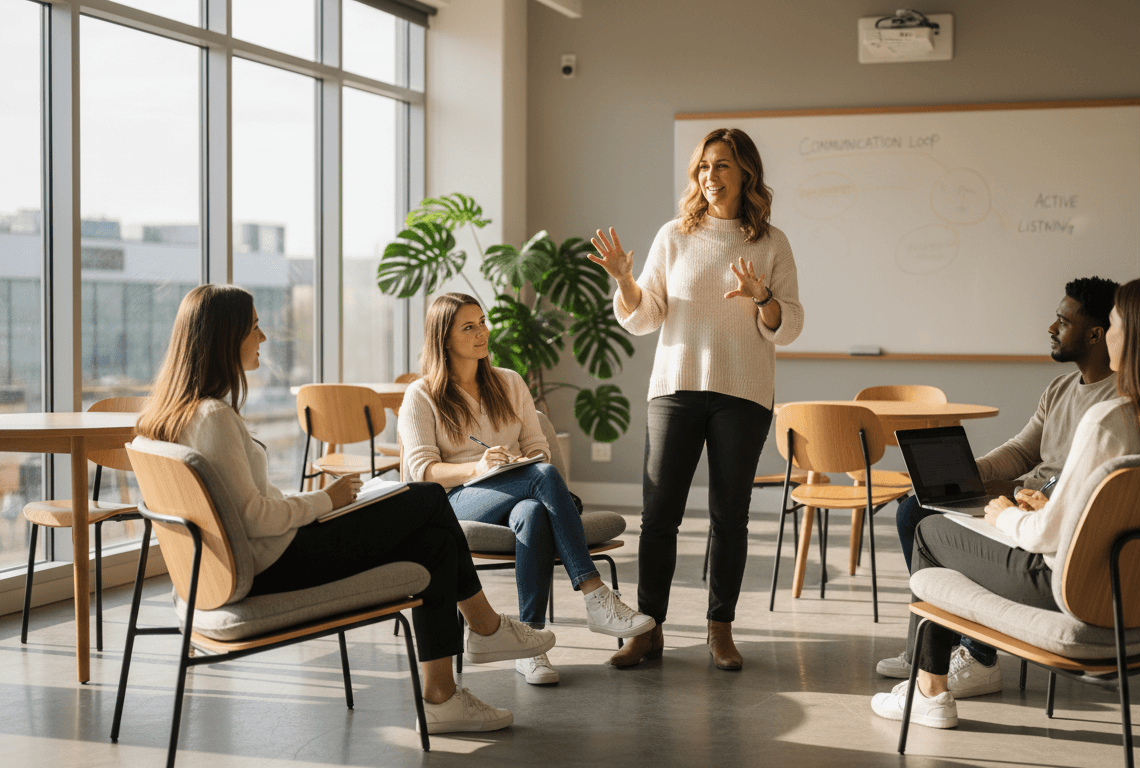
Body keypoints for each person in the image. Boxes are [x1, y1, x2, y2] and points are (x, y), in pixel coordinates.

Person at [134, 284, 553, 734]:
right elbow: (257, 517)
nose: (264, 338)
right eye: (254, 327)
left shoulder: (175, 414)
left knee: (433, 543)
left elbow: (250, 510)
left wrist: (321, 505)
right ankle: (485, 626)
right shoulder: (213, 417)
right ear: (224, 337)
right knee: (426, 497)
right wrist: (326, 500)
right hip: (272, 562)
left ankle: (442, 697)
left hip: (257, 558)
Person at [870, 276, 1140, 729]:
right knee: (925, 510)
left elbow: (1049, 535)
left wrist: (1005, 515)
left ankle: (934, 685)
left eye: (1117, 324)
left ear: (1126, 335)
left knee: (928, 529)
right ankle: (947, 657)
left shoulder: (1111, 419)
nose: (1112, 333)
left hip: (1068, 587)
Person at [588, 127, 804, 670]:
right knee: (659, 516)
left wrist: (765, 299)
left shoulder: (771, 242)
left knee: (729, 517)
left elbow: (789, 325)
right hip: (676, 388)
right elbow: (646, 313)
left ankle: (720, 630)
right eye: (704, 167)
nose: (710, 177)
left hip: (744, 394)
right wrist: (624, 280)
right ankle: (647, 630)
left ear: (746, 172)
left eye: (722, 166)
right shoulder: (674, 235)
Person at [876, 276, 1120, 695]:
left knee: (930, 529)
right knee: (913, 507)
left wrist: (1031, 502)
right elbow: (1022, 450)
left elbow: (1098, 486)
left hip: (1047, 512)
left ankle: (978, 656)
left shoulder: (1116, 404)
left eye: (1062, 321)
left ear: (1096, 334)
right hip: (1022, 497)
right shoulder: (1060, 388)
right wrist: (966, 475)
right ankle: (943, 638)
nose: (1051, 328)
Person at [398, 292, 655, 686]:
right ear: (444, 338)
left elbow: (538, 449)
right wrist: (477, 466)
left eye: (482, 321)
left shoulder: (509, 382)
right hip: (457, 500)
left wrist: (520, 462)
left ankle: (531, 646)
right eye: (469, 327)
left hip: (518, 491)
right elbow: (422, 472)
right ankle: (593, 593)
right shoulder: (422, 395)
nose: (482, 332)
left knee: (535, 508)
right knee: (544, 477)